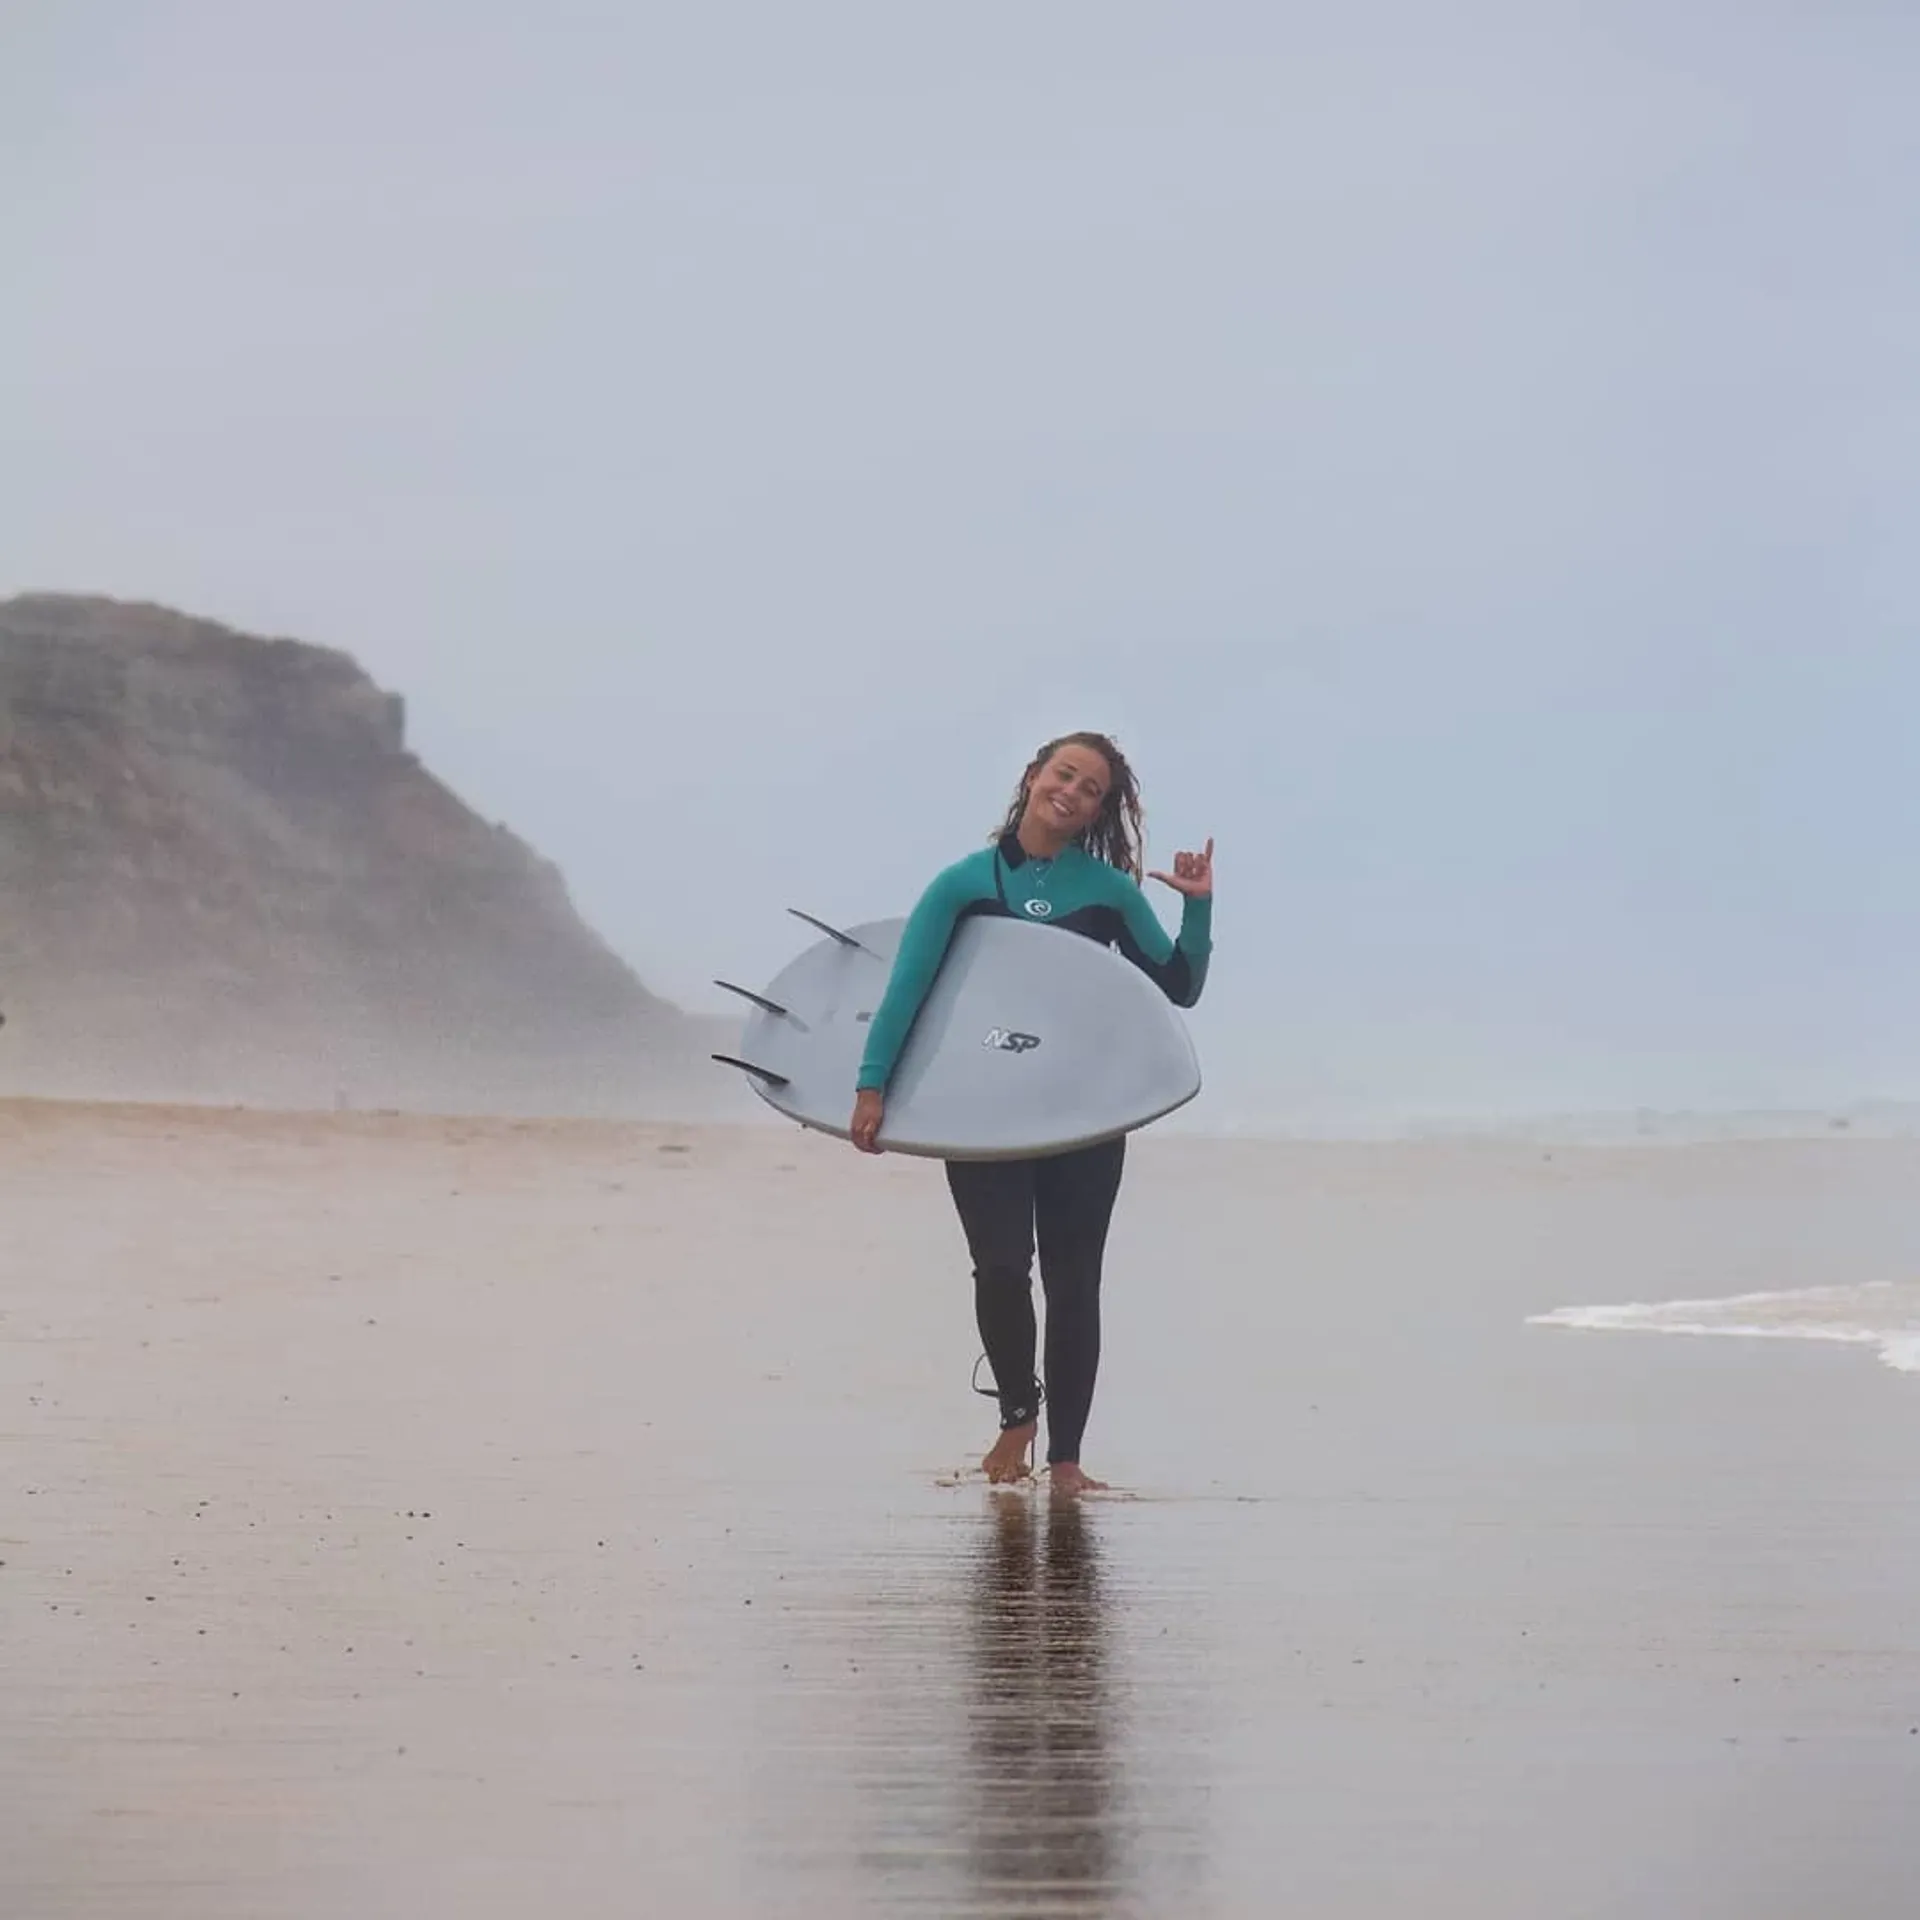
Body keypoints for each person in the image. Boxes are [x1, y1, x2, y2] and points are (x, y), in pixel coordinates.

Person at [848, 731, 1214, 1495]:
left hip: (1083, 1111)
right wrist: (871, 1086)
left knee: (1075, 1281)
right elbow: (909, 988)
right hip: (981, 1111)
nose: (1071, 792)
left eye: (1090, 789)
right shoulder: (963, 884)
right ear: (1033, 775)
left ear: (1099, 810)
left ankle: (1068, 1461)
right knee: (1001, 1266)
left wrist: (1198, 909)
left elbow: (1177, 987)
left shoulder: (1109, 893)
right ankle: (1018, 1415)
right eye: (1064, 775)